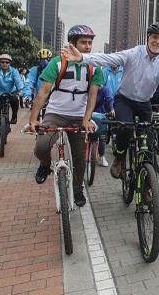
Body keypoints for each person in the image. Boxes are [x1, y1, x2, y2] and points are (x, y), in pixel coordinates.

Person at [62, 22, 159, 179]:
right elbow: (108, 58)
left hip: (144, 104)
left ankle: (146, 187)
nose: (158, 42)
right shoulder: (134, 53)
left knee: (147, 146)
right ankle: (119, 158)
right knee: (125, 129)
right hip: (124, 100)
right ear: (148, 38)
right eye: (155, 37)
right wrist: (82, 58)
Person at [29, 25, 104, 207]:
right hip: (55, 114)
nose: (87, 46)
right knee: (41, 146)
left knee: (79, 157)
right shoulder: (57, 62)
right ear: (72, 44)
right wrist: (33, 119)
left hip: (79, 116)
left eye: (90, 43)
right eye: (83, 43)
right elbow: (43, 92)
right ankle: (46, 165)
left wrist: (86, 119)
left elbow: (92, 96)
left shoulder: (94, 67)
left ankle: (78, 188)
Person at [94, 83, 115, 167]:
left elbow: (109, 99)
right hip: (88, 114)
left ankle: (102, 156)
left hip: (101, 115)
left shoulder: (105, 89)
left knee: (102, 137)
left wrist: (112, 109)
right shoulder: (88, 87)